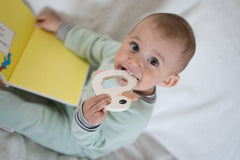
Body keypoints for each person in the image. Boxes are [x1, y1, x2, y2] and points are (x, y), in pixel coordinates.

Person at [0, 13, 195, 159]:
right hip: (70, 91)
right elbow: (93, 44)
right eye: (135, 46)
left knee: (27, 116)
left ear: (167, 80)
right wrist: (61, 28)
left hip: (75, 134)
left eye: (153, 61)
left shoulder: (134, 117)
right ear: (128, 38)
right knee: (34, 65)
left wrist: (87, 122)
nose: (134, 62)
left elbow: (95, 144)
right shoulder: (116, 54)